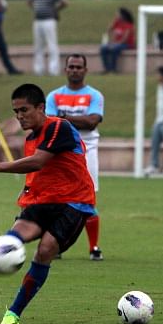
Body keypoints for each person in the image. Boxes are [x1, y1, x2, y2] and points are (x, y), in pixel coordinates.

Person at [0, 83, 96, 324]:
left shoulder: (59, 126)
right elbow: (42, 170)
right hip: (44, 199)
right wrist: (28, 188)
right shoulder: (32, 138)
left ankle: (14, 312)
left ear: (41, 107)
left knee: (45, 250)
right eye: (16, 111)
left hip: (74, 202)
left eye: (24, 110)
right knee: (17, 236)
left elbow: (38, 162)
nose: (19, 116)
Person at [46, 54, 105, 260]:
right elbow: (51, 123)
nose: (74, 70)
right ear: (65, 69)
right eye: (71, 66)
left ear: (85, 70)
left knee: (88, 200)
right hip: (62, 152)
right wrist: (73, 120)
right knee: (59, 198)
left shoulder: (94, 95)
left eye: (79, 67)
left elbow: (92, 123)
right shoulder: (54, 96)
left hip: (87, 149)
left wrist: (63, 117)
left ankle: (94, 247)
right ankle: (57, 245)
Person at [27, 0, 68, 76]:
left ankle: (53, 70)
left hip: (49, 20)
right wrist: (35, 9)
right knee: (38, 46)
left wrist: (56, 9)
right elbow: (29, 1)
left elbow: (65, 2)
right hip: (38, 21)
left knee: (52, 45)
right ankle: (38, 70)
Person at [99, 7, 135, 74]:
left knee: (114, 49)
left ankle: (113, 69)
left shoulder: (129, 25)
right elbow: (109, 30)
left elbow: (125, 39)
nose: (116, 14)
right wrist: (113, 23)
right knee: (103, 48)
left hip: (127, 44)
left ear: (122, 15)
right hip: (117, 43)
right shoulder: (117, 22)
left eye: (118, 13)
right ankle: (106, 69)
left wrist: (114, 44)